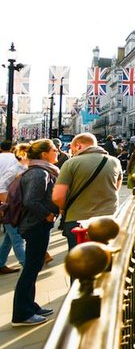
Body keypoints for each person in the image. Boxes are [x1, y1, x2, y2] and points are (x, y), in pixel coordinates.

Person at [12, 139, 60, 327]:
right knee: (31, 269)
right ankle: (21, 313)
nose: (57, 151)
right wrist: (48, 215)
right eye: (54, 149)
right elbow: (31, 201)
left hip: (37, 224)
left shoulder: (42, 171)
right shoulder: (39, 173)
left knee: (35, 266)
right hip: (35, 225)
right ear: (43, 154)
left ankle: (30, 305)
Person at [52, 133, 122, 250]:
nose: (71, 151)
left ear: (78, 146)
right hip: (108, 218)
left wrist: (62, 208)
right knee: (106, 256)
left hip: (78, 219)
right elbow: (116, 187)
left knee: (81, 259)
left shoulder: (71, 163)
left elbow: (58, 196)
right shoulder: (114, 161)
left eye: (72, 148)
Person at [0, 141, 26, 275]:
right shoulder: (15, 167)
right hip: (10, 206)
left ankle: (0, 264)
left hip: (10, 204)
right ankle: (26, 265)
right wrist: (8, 204)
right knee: (17, 237)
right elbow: (2, 186)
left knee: (9, 238)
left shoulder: (21, 167)